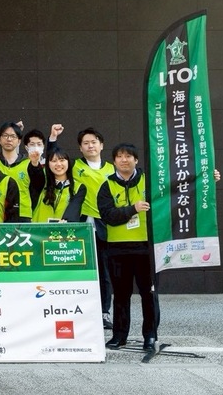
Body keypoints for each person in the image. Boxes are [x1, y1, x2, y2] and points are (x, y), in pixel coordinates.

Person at [52, 124, 116, 331]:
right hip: (80, 224)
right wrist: (53, 138)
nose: (90, 146)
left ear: (101, 145)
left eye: (93, 142)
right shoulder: (75, 166)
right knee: (77, 270)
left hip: (107, 225)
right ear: (80, 148)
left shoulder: (112, 168)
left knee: (105, 272)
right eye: (85, 143)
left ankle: (104, 312)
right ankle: (75, 311)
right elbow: (52, 160)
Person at [97, 143, 157, 352]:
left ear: (136, 160)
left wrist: (206, 177)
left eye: (129, 156)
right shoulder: (107, 186)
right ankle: (119, 336)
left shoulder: (149, 181)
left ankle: (150, 336)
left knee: (148, 294)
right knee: (121, 295)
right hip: (117, 248)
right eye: (120, 156)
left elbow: (176, 187)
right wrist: (132, 209)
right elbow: (109, 216)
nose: (124, 160)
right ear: (113, 161)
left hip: (145, 247)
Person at [28, 148, 86, 223]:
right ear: (48, 164)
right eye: (54, 161)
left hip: (62, 231)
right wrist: (35, 163)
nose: (58, 164)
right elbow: (36, 174)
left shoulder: (78, 187)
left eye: (62, 160)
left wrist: (66, 221)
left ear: (68, 162)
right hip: (38, 232)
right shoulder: (42, 183)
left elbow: (74, 209)